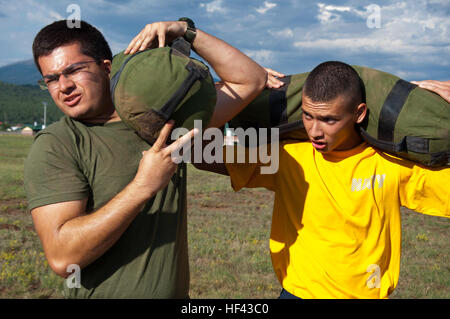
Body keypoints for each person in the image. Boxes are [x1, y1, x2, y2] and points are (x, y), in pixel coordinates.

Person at [24, 19, 267, 298]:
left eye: (74, 71)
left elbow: (250, 79)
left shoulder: (161, 120)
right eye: (51, 79)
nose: (63, 86)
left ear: (106, 68)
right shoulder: (58, 144)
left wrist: (184, 31)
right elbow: (63, 258)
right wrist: (143, 187)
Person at [195, 61, 449, 298]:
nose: (315, 131)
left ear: (359, 113)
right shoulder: (289, 157)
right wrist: (234, 90)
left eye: (329, 119)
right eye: (308, 116)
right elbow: (202, 153)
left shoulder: (391, 165)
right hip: (296, 293)